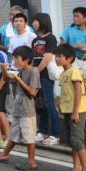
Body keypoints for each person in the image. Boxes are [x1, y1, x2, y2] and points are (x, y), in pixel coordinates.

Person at [0, 46, 40, 171]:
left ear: (26, 59)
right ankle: (4, 155)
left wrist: (18, 79)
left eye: (17, 58)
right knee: (14, 135)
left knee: (29, 137)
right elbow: (6, 79)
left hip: (27, 110)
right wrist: (5, 70)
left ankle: (31, 162)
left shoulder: (33, 71)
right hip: (18, 108)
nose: (14, 60)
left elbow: (32, 92)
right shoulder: (20, 71)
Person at [54, 44, 86, 171]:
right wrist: (60, 105)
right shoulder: (64, 73)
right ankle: (76, 168)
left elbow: (78, 92)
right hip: (68, 111)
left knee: (77, 140)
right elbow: (65, 93)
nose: (56, 59)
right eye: (56, 56)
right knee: (72, 140)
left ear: (69, 58)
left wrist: (75, 112)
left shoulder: (74, 71)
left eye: (60, 57)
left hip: (77, 111)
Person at [31, 13, 60, 145]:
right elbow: (33, 59)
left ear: (42, 22)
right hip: (36, 75)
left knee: (49, 104)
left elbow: (47, 58)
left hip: (46, 76)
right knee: (41, 105)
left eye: (35, 21)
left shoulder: (51, 38)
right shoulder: (34, 40)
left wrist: (36, 71)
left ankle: (55, 134)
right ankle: (42, 132)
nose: (33, 24)